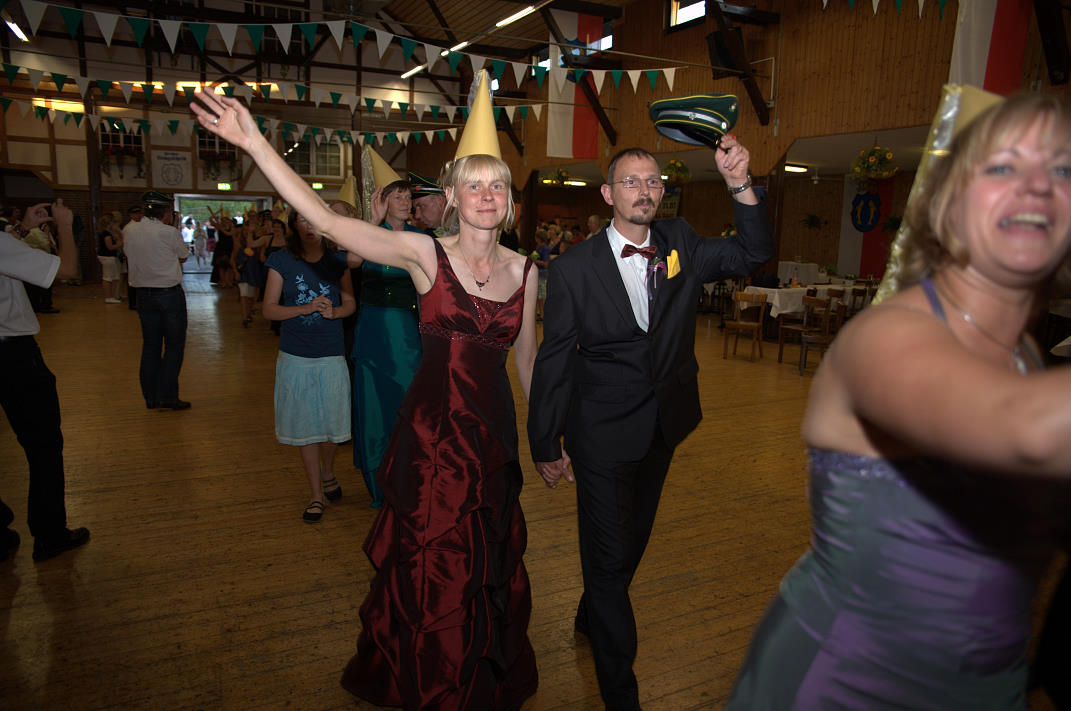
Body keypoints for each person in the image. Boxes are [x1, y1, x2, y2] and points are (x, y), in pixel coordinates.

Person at [192, 68, 540, 710]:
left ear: (508, 199)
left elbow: (527, 362)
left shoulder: (526, 271)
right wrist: (255, 143)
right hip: (434, 442)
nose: (486, 195)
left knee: (485, 563)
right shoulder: (424, 255)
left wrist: (547, 438)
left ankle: (476, 674)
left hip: (493, 443)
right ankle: (434, 680)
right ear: (453, 197)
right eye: (473, 184)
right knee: (436, 568)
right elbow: (326, 220)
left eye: (497, 184)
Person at [725, 91, 1071, 709]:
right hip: (847, 686)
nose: (1039, 185)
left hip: (990, 687)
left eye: (1063, 168)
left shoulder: (1026, 357)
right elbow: (1019, 429)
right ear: (949, 200)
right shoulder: (887, 336)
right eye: (1003, 166)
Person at [527, 137, 773, 711]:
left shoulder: (680, 240)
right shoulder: (574, 268)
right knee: (607, 559)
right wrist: (544, 441)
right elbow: (555, 359)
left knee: (632, 539)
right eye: (632, 181)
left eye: (654, 180)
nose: (645, 190)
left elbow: (752, 253)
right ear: (608, 194)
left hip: (663, 425)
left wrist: (739, 183)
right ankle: (621, 694)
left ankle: (590, 612)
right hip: (600, 432)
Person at [0, 199, 91, 562]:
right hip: (11, 354)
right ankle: (50, 533)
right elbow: (66, 269)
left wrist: (23, 229)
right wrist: (65, 226)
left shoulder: (5, 240)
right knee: (43, 444)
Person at [262, 209, 355, 522]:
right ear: (293, 226)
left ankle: (327, 471)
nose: (309, 226)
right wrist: (305, 308)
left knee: (332, 428)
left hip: (331, 354)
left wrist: (335, 313)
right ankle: (316, 494)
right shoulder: (281, 260)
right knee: (306, 428)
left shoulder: (337, 260)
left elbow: (350, 303)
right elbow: (269, 310)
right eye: (302, 220)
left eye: (313, 219)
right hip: (296, 355)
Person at [348, 176, 424, 507]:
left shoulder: (421, 238)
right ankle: (380, 482)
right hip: (374, 326)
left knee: (407, 399)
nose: (406, 203)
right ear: (383, 202)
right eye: (398, 197)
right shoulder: (370, 232)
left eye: (408, 197)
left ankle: (410, 478)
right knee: (375, 403)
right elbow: (352, 261)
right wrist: (372, 222)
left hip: (406, 331)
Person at [123, 191, 191, 410]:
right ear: (166, 213)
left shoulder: (129, 230)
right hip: (168, 294)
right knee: (174, 346)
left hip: (143, 294)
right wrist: (175, 228)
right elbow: (183, 256)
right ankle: (167, 396)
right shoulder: (168, 232)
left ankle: (151, 397)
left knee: (151, 345)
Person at [409, 170, 447, 237]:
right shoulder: (428, 235)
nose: (417, 216)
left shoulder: (463, 229)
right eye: (415, 209)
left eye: (420, 206)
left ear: (440, 201)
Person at [97, 213, 124, 303]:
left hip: (109, 257)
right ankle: (108, 297)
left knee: (114, 277)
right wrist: (120, 243)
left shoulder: (107, 233)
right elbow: (110, 247)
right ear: (109, 223)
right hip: (107, 257)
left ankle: (112, 295)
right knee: (107, 277)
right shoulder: (106, 234)